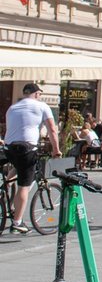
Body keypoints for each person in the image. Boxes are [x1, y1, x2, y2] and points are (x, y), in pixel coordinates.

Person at [3, 83, 61, 233]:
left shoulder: (13, 108)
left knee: (19, 166)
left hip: (8, 148)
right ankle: (17, 222)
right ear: (36, 94)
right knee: (24, 185)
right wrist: (56, 150)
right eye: (39, 94)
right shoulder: (42, 106)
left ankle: (7, 186)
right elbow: (52, 130)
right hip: (26, 148)